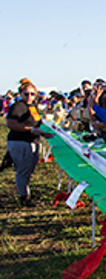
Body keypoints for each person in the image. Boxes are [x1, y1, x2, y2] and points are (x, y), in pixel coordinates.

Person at [4, 78, 54, 206]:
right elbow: (10, 123)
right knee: (23, 171)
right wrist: (31, 130)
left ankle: (26, 193)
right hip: (20, 142)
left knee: (28, 170)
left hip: (31, 142)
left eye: (32, 94)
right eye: (26, 94)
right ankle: (24, 198)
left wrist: (42, 132)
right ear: (20, 94)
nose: (29, 96)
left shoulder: (32, 107)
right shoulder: (18, 106)